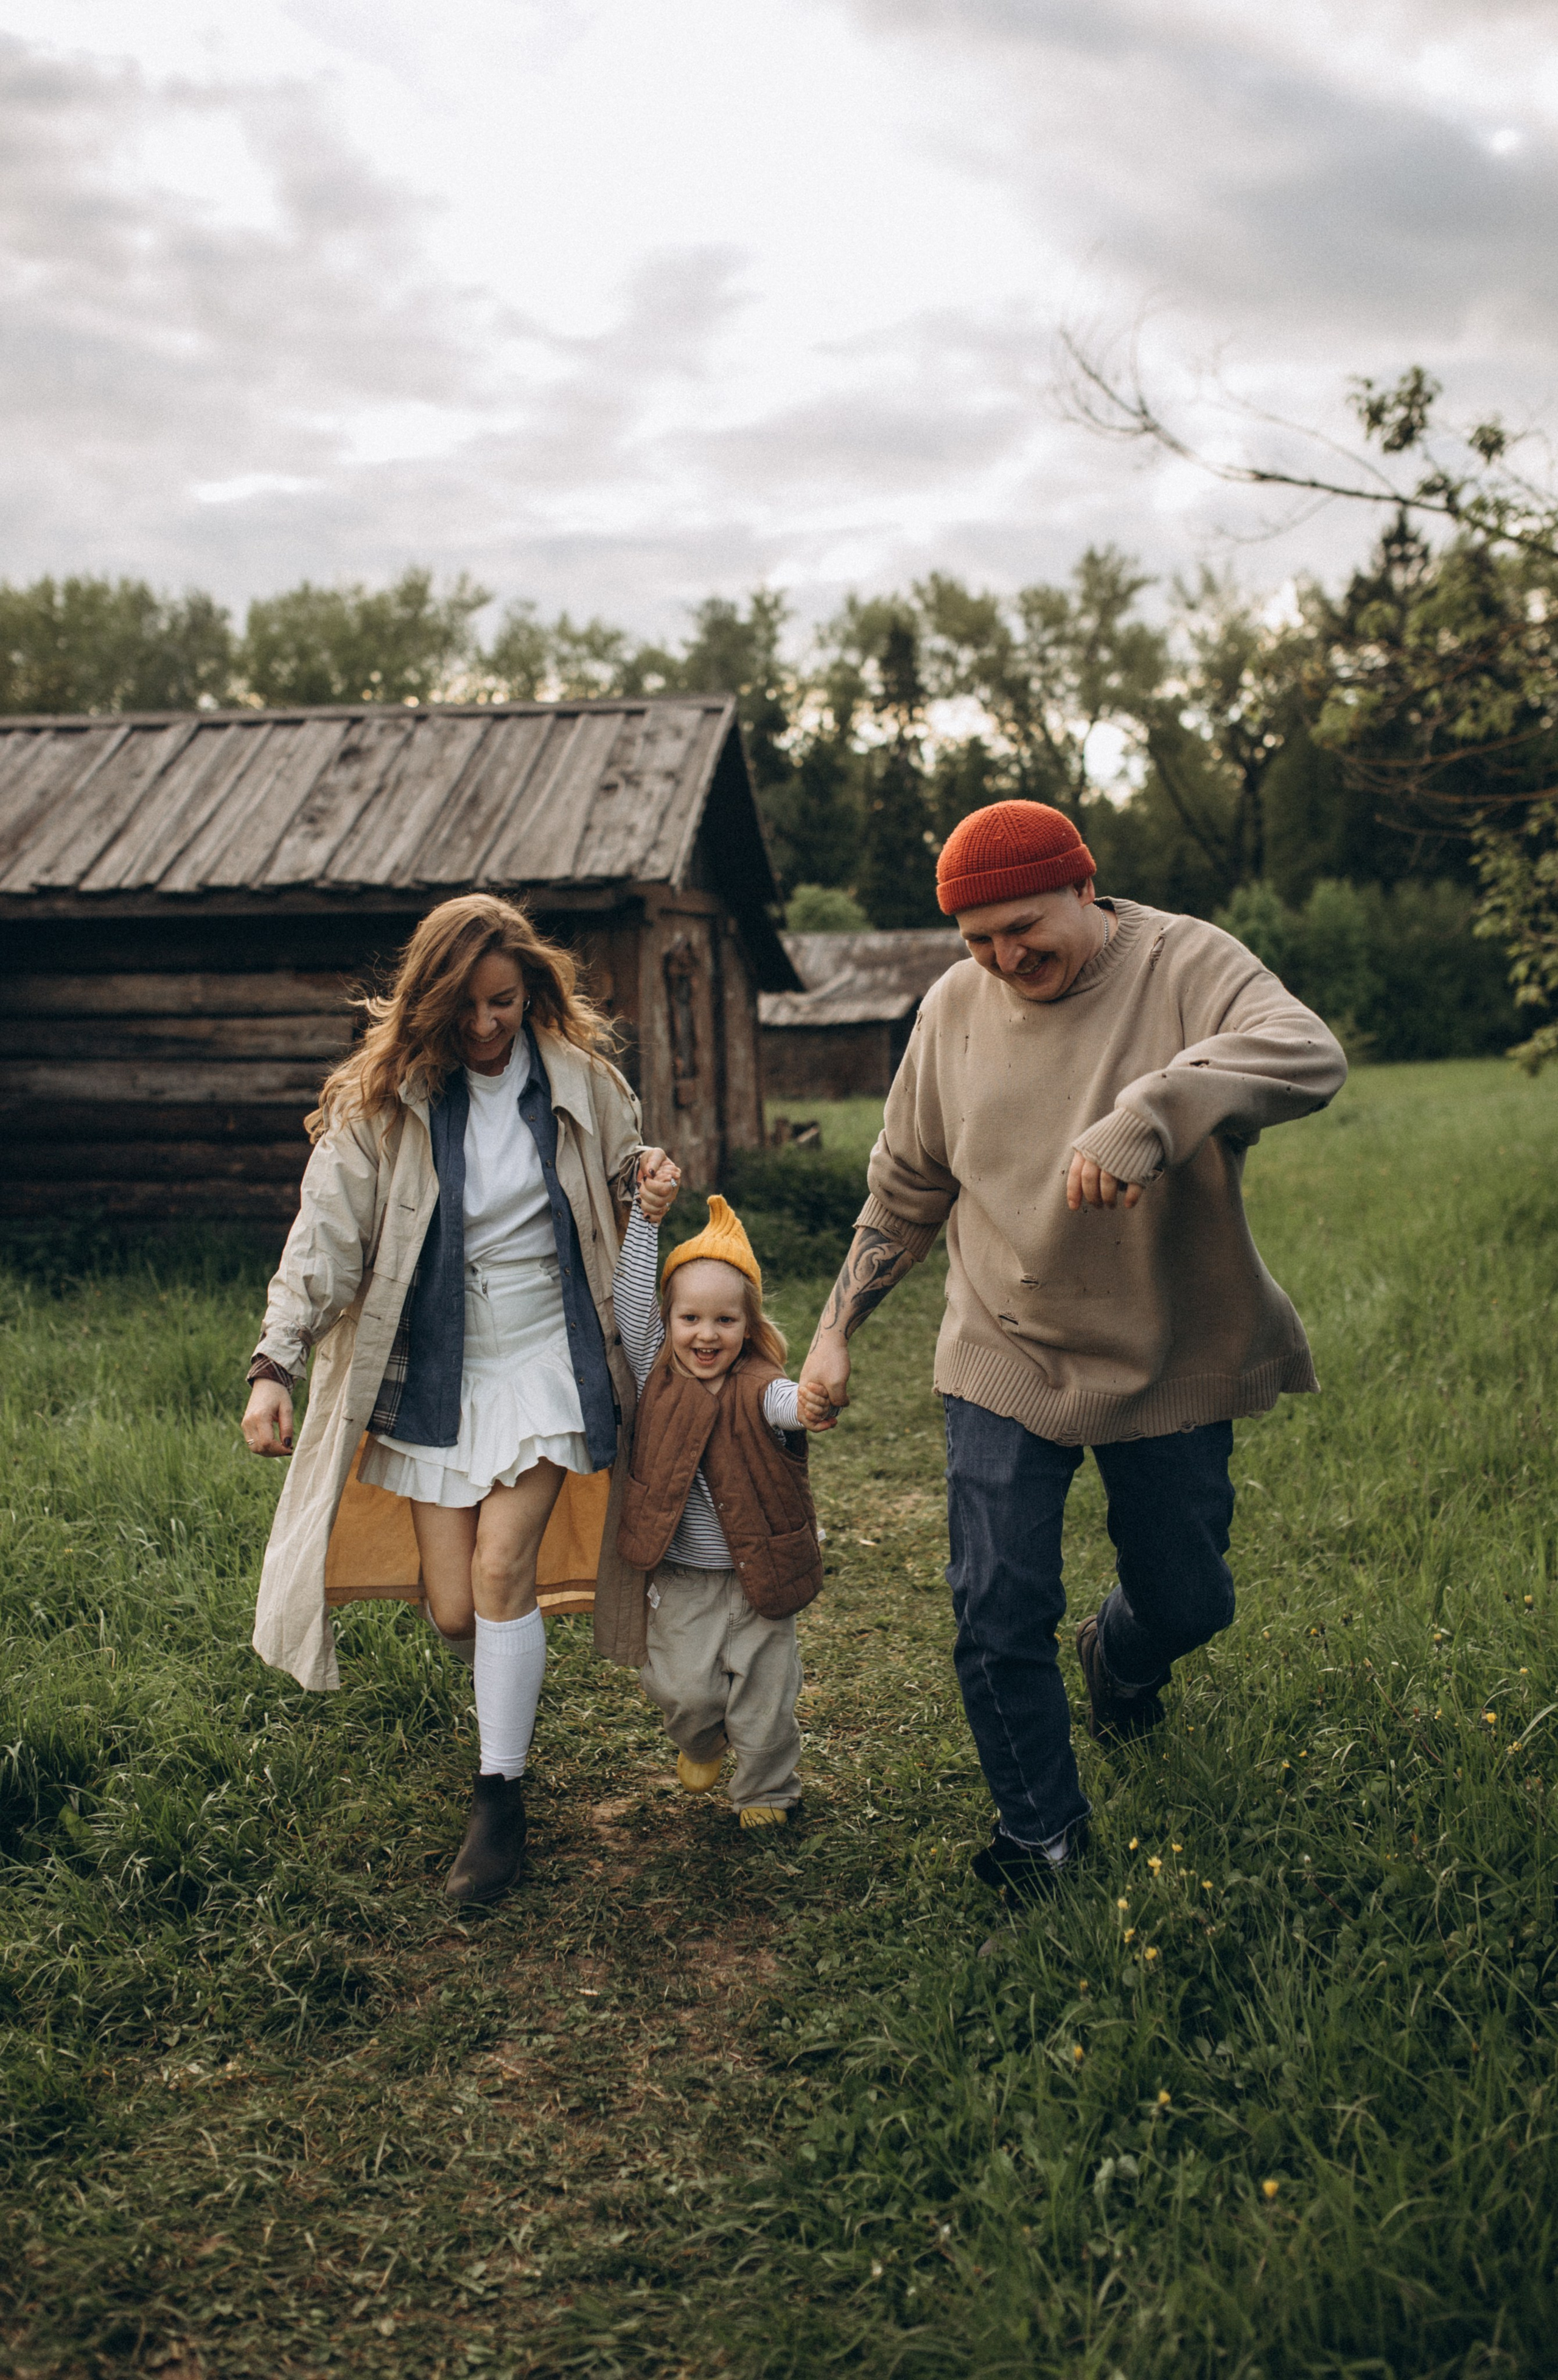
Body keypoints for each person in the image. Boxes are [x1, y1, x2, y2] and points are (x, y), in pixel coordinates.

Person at [797, 800, 1347, 1903]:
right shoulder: (955, 1011)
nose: (1006, 959)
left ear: (1083, 887)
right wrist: (831, 1335)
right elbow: (904, 1191)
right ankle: (1039, 1834)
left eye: (1023, 928)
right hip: (1003, 1347)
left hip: (1168, 1347)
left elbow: (1309, 1052)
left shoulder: (1187, 962)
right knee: (997, 1601)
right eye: (979, 941)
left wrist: (1156, 1107)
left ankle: (1123, 1655)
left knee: (1191, 1599)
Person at [242, 892, 676, 1906]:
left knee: (499, 1563)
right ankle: (507, 1695)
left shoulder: (582, 1080)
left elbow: (622, 1168)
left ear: (531, 993)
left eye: (505, 1003)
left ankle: (500, 1799)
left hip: (545, 1355)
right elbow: (322, 1241)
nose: (486, 1027)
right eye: (466, 1008)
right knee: (454, 1609)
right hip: (434, 1367)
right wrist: (275, 1363)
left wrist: (645, 1176)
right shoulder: (383, 1104)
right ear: (431, 1004)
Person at [611, 1187, 834, 1825]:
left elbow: (787, 1401)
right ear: (668, 1321)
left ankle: (767, 1790)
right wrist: (644, 1220)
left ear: (750, 1326)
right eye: (690, 1319)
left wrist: (810, 1404)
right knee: (681, 1689)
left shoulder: (759, 1386)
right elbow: (630, 1300)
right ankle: (701, 1738)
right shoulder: (654, 1368)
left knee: (765, 1699)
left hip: (761, 1572)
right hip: (682, 1576)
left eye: (725, 1321)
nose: (706, 1334)